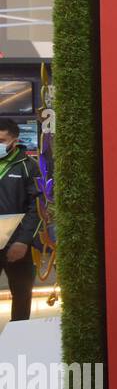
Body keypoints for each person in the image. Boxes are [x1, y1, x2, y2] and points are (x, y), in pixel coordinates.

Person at [0, 118, 39, 324]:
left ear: (14, 141)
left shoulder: (28, 167)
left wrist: (23, 241)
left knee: (22, 296)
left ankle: (18, 342)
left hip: (17, 245)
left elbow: (37, 207)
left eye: (1, 140)